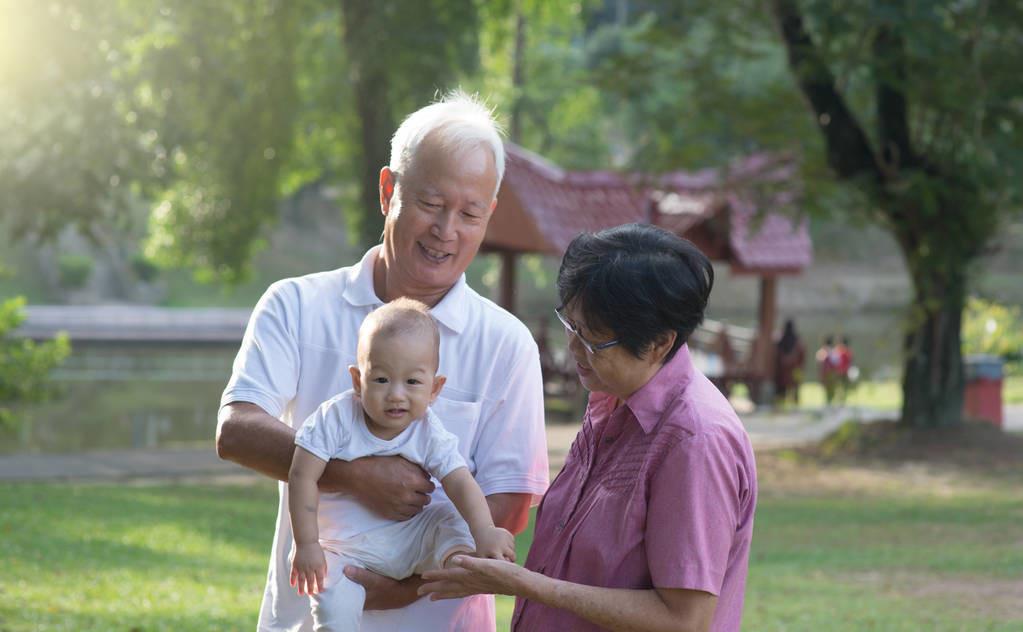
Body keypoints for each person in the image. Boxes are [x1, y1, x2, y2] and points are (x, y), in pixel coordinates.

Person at [216, 90, 549, 631]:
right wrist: (353, 474)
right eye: (431, 204)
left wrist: (403, 590)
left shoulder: (506, 343)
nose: (447, 230)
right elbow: (236, 430)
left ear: (489, 214)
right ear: (388, 190)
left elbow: (508, 504)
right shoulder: (298, 305)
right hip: (307, 617)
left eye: (469, 213)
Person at [420, 223, 758, 632]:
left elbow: (684, 619)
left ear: (659, 344)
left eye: (594, 340)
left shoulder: (695, 440)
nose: (574, 348)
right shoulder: (610, 397)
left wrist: (525, 584)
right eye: (572, 325)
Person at [288, 299, 515, 630]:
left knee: (449, 516)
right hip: (343, 549)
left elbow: (459, 480)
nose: (396, 394)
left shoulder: (427, 430)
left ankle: (459, 561)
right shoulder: (334, 418)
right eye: (380, 380)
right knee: (333, 601)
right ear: (357, 380)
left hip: (410, 541)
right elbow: (301, 475)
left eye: (412, 382)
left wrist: (485, 531)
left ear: (435, 388)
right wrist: (306, 544)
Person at [773, 318, 806, 406]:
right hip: (795, 370)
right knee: (795, 389)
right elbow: (802, 356)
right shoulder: (798, 341)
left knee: (781, 392)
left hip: (782, 372)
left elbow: (776, 356)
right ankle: (795, 405)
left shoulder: (780, 340)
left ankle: (780, 405)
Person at [815, 335, 837, 406]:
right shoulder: (833, 351)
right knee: (830, 389)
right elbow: (836, 362)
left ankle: (828, 402)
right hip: (831, 373)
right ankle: (829, 402)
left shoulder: (822, 351)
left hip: (824, 373)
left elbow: (819, 362)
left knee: (827, 389)